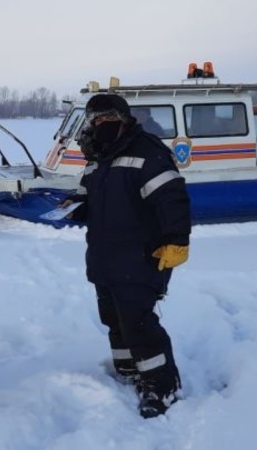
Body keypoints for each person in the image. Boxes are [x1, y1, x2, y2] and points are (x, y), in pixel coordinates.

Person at [64, 94, 192, 418]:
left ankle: (161, 387)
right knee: (113, 318)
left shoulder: (148, 151)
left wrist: (177, 240)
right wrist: (70, 206)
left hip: (139, 256)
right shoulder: (98, 156)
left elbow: (172, 199)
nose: (99, 125)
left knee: (139, 323)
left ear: (123, 118)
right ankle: (128, 368)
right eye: (94, 120)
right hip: (104, 256)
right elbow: (87, 195)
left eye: (106, 118)